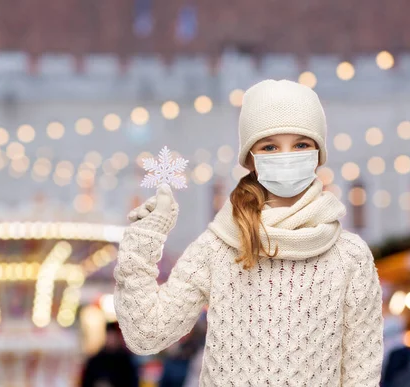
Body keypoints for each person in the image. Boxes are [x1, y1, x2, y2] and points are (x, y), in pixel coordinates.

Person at [114, 79, 383, 386]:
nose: (286, 156)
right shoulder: (218, 247)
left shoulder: (351, 257)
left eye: (300, 144)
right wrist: (143, 240)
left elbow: (361, 375)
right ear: (251, 157)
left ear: (318, 152)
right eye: (270, 146)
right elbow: (147, 334)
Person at [80, 322, 139, 387]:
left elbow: (133, 382)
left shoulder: (126, 361)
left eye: (113, 335)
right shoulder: (95, 361)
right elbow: (86, 382)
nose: (111, 339)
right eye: (109, 335)